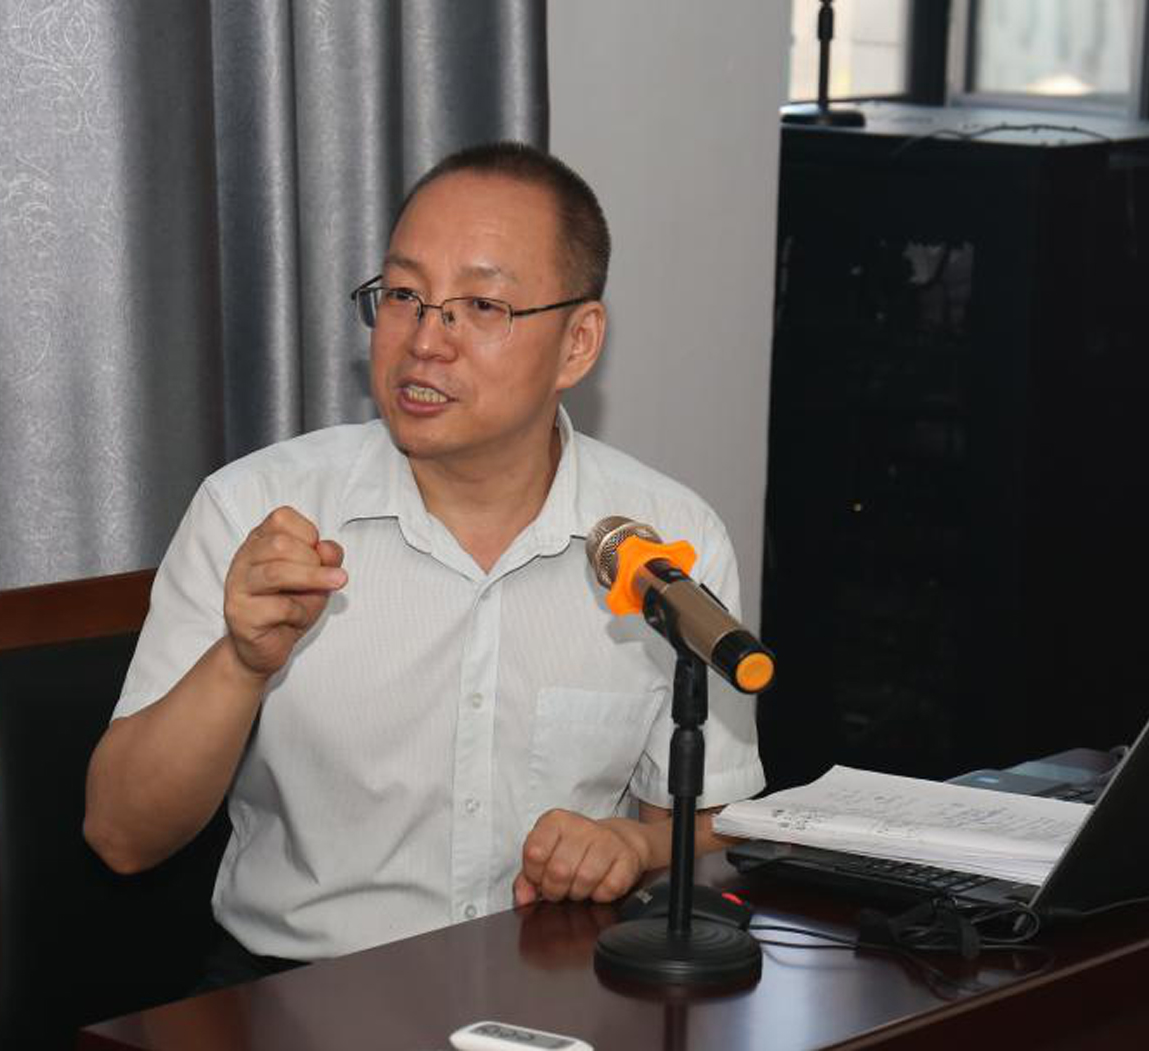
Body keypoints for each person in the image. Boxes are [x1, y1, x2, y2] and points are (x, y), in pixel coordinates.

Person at [83, 142, 763, 984]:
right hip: (297, 994)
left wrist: (634, 842)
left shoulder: (668, 543)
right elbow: (121, 834)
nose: (425, 341)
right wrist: (242, 661)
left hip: (556, 997)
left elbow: (719, 830)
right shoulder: (256, 512)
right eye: (404, 295)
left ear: (578, 343)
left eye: (480, 305)